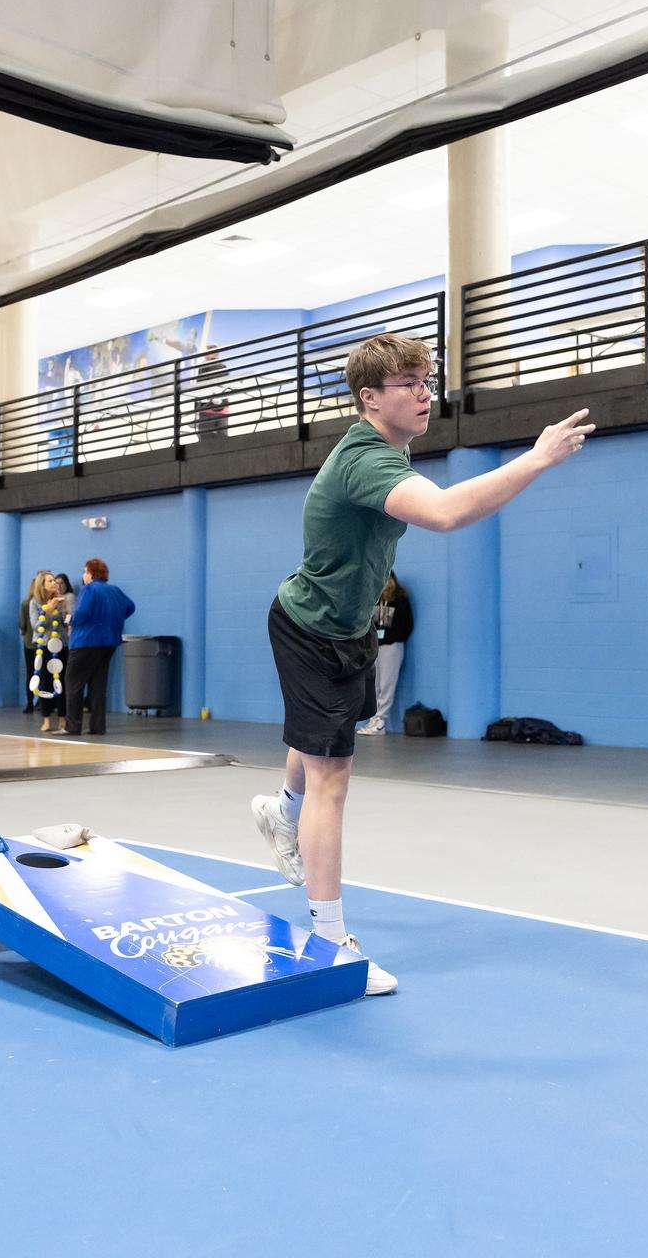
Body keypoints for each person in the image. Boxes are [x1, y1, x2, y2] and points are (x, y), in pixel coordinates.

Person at [250, 333, 593, 995]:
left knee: (320, 740)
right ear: (369, 398)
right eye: (408, 383)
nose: (424, 394)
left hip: (350, 628)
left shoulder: (388, 453)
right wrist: (536, 458)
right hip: (310, 628)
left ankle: (281, 809)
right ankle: (329, 941)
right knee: (333, 775)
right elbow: (445, 512)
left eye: (427, 382)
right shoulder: (365, 459)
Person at [64, 559, 133, 736]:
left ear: (91, 574)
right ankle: (97, 727)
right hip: (109, 642)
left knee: (73, 683)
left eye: (85, 571)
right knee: (98, 685)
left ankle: (72, 726)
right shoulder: (115, 590)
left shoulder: (89, 589)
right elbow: (130, 607)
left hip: (85, 642)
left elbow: (82, 613)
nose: (83, 575)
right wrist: (113, 620)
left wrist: (71, 619)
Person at [356, 570, 412, 735]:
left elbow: (407, 624)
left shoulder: (400, 600)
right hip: (375, 647)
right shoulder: (374, 600)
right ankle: (374, 719)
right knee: (375, 684)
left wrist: (395, 638)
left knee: (387, 683)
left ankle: (381, 720)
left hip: (391, 647)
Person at [28, 570, 72, 732]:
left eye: (55, 580)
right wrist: (48, 610)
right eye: (50, 581)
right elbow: (36, 626)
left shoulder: (61, 599)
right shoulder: (35, 602)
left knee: (62, 682)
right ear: (42, 585)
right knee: (45, 682)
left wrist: (65, 611)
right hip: (44, 646)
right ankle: (46, 718)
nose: (55, 583)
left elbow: (65, 622)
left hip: (61, 645)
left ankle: (62, 718)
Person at [19, 569, 46, 715]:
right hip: (44, 643)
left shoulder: (25, 603)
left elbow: (22, 625)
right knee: (44, 673)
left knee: (31, 674)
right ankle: (42, 702)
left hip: (29, 643)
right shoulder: (46, 603)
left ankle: (29, 703)